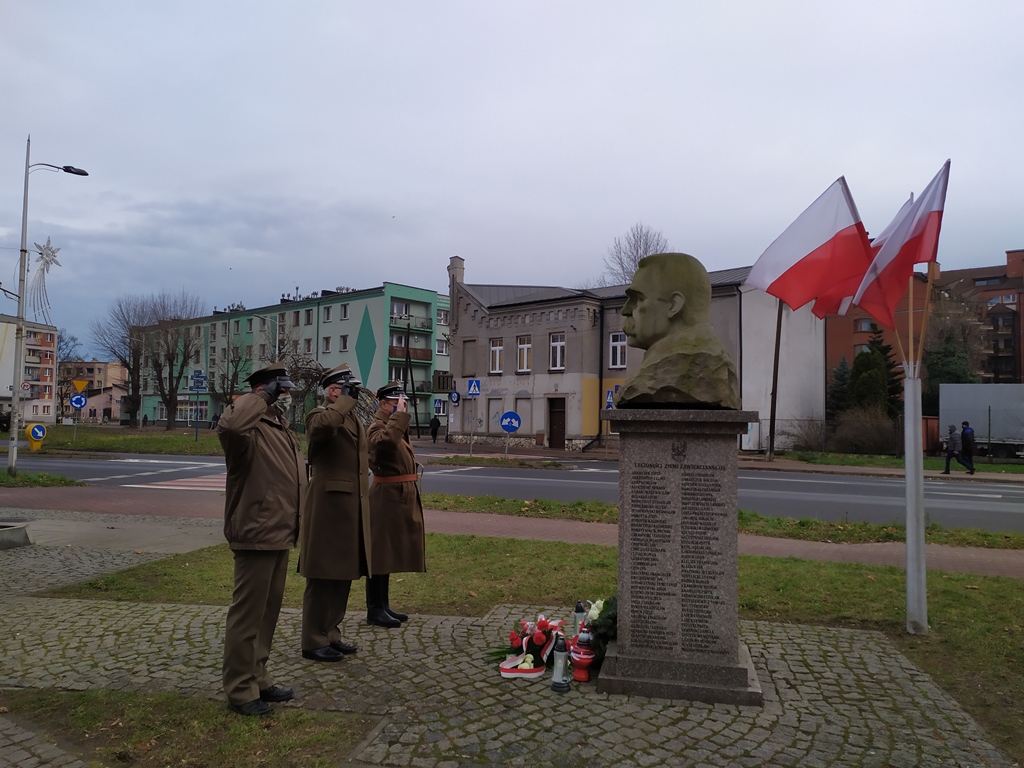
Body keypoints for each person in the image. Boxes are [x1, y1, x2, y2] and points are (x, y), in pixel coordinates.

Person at [216, 362, 304, 717]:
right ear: (263, 391)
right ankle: (239, 688)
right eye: (280, 391)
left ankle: (258, 675)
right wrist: (261, 397)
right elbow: (231, 424)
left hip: (278, 529)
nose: (286, 397)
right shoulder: (246, 426)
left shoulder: (276, 424)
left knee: (267, 613)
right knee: (248, 614)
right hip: (256, 529)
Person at [299, 363, 370, 662]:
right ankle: (313, 640)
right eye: (346, 388)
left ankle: (331, 632)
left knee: (342, 573)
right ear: (332, 391)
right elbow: (323, 428)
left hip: (349, 506)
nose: (352, 393)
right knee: (323, 575)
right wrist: (342, 403)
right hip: (328, 506)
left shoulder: (351, 417)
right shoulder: (320, 414)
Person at [615, 253, 741, 409]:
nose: (625, 310)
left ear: (673, 306)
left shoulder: (702, 363)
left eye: (638, 299)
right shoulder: (662, 365)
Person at [365, 381, 427, 628]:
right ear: (383, 404)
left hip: (395, 497)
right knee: (379, 555)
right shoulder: (376, 427)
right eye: (396, 404)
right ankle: (374, 609)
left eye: (402, 405)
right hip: (384, 498)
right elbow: (385, 443)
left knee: (388, 554)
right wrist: (399, 417)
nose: (401, 408)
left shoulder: (392, 426)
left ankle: (383, 604)